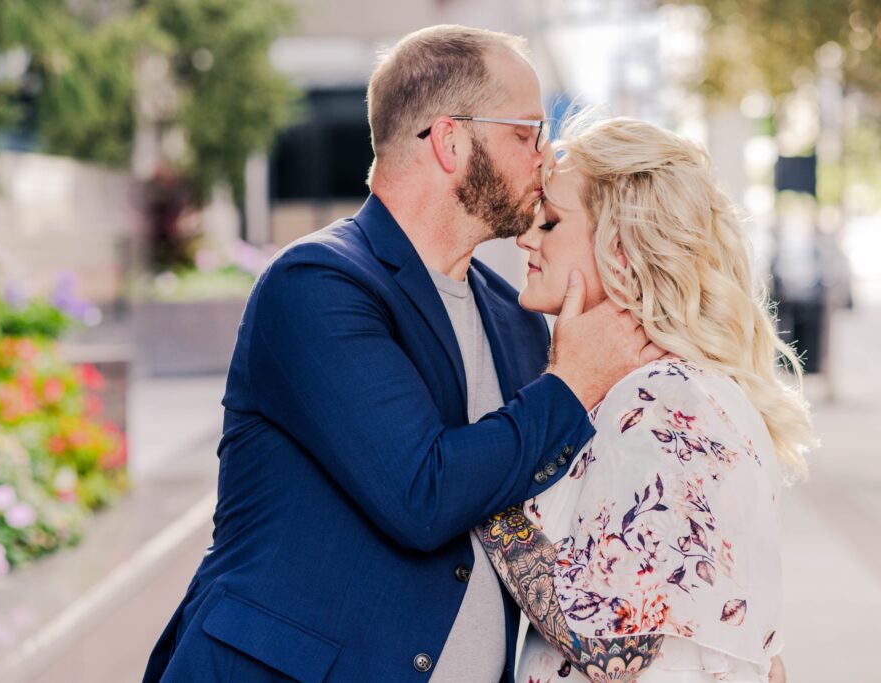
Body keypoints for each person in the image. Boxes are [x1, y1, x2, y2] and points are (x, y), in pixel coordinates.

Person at [142, 25, 661, 682]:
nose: (545, 160)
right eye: (527, 133)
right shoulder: (317, 286)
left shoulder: (514, 318)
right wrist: (571, 383)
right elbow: (422, 493)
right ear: (450, 141)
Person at [474, 117, 813, 682]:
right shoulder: (668, 390)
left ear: (622, 246)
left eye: (551, 221)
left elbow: (617, 651)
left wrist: (482, 483)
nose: (526, 238)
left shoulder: (662, 397)